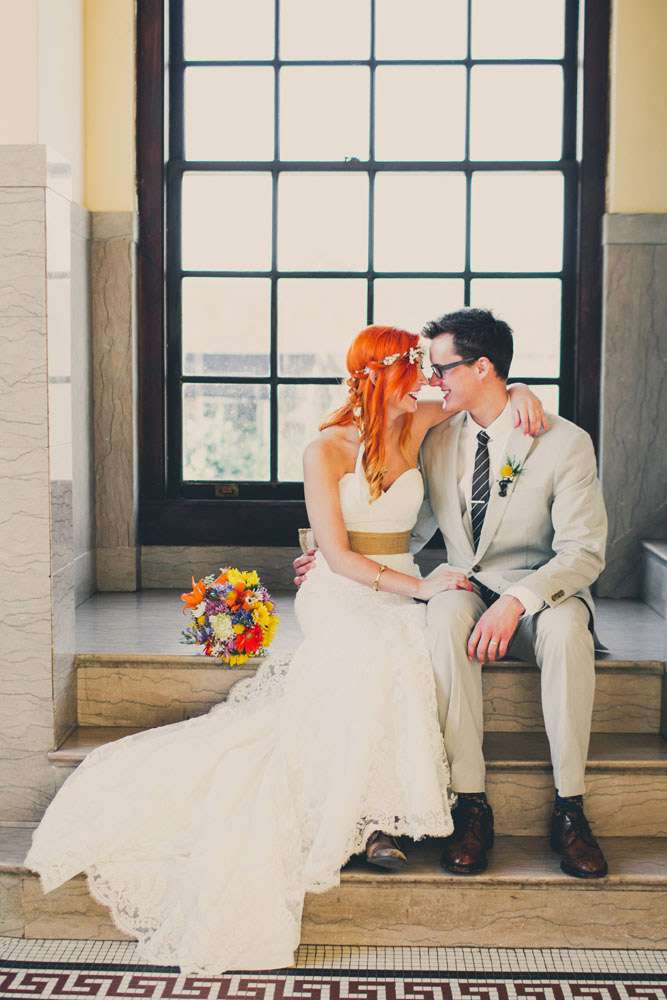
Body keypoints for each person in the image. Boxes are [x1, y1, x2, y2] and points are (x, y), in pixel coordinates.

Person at [25, 324, 544, 975]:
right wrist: (418, 587)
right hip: (343, 587)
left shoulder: (420, 420)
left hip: (400, 579)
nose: (427, 377)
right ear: (381, 375)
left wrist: (522, 391)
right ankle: (367, 823)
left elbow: (481, 393)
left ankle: (377, 814)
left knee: (412, 646)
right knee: (377, 651)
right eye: (415, 366)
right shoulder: (325, 449)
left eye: (427, 367)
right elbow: (335, 556)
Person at [297, 308, 609, 881]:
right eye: (424, 369)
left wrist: (517, 601)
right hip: (464, 582)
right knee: (441, 618)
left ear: (482, 367)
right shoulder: (436, 435)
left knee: (568, 631)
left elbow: (584, 552)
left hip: (540, 590)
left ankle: (570, 807)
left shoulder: (563, 442)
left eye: (440, 369)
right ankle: (471, 804)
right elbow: (404, 516)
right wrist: (333, 555)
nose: (429, 380)